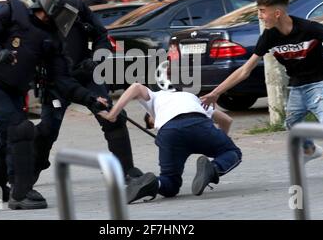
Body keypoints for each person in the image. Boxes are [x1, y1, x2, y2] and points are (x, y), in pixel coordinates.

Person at [201, 0, 323, 192]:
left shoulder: (309, 28)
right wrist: (216, 92)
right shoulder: (269, 37)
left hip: (322, 81)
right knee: (292, 123)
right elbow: (245, 70)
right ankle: (309, 150)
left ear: (277, 13)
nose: (259, 15)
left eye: (262, 11)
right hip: (298, 85)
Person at [0, 0, 109, 210]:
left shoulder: (51, 39)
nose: (67, 21)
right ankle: (20, 192)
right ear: (51, 7)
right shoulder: (13, 12)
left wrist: (91, 99)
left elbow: (62, 80)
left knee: (9, 136)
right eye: (65, 14)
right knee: (21, 129)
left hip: (15, 93)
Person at [33, 0, 143, 183]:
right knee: (48, 129)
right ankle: (26, 177)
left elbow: (102, 34)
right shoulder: (36, 16)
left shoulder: (79, 6)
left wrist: (97, 60)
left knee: (112, 116)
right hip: (57, 82)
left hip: (86, 73)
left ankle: (125, 169)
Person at [98, 83, 241, 204]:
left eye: (151, 123)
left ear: (149, 116)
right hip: (200, 125)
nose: (153, 125)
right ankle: (214, 168)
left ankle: (154, 183)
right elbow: (226, 120)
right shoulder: (192, 98)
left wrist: (112, 114)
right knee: (232, 153)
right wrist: (219, 144)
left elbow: (135, 86)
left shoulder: (154, 96)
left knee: (170, 183)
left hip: (169, 133)